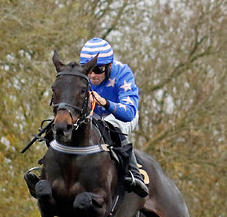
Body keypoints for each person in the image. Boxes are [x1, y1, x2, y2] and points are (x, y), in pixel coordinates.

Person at [25, 38, 148, 197]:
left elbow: (129, 112)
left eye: (98, 70)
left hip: (119, 114)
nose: (93, 75)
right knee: (59, 124)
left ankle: (133, 173)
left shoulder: (123, 73)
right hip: (91, 114)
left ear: (110, 66)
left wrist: (104, 102)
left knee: (110, 126)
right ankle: (46, 171)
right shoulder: (81, 75)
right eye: (90, 70)